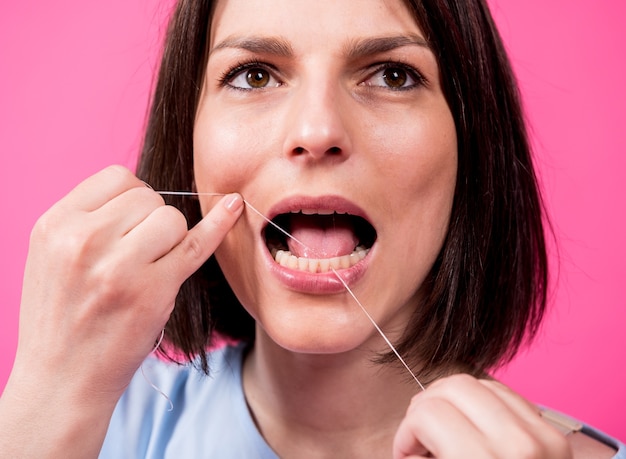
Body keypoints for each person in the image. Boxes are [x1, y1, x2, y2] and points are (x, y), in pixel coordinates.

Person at [0, 0, 623, 457]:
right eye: (254, 74)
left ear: (473, 145)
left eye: (392, 74)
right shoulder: (93, 426)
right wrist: (42, 405)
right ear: (187, 138)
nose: (318, 130)